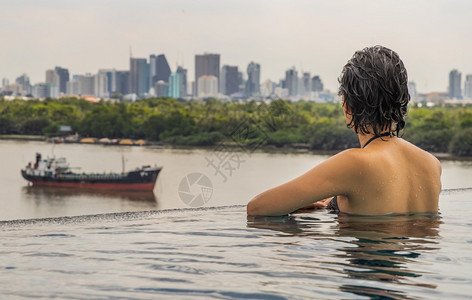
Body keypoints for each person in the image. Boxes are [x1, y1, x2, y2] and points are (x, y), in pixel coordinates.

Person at [247, 45, 441, 216]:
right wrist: (334, 202)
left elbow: (257, 208)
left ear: (347, 107)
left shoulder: (354, 163)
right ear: (402, 102)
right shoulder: (431, 164)